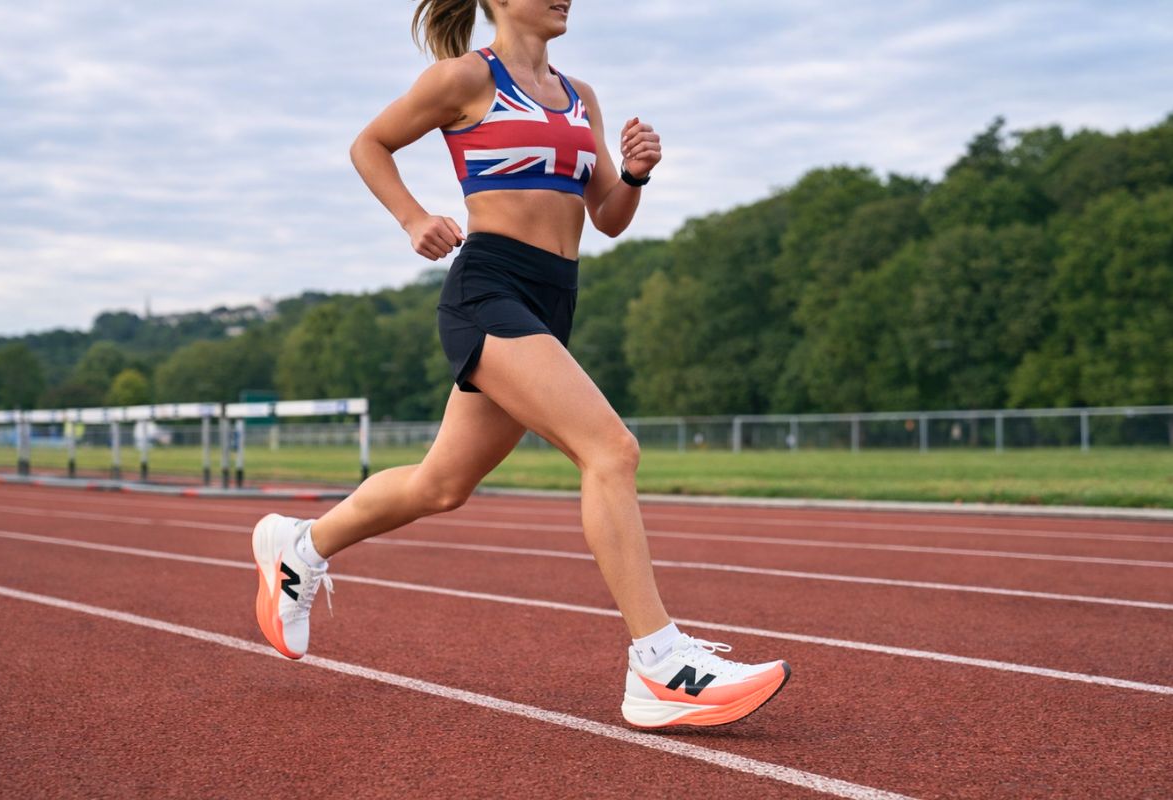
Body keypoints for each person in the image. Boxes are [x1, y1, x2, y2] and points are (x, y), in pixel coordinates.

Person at [252, 0, 790, 728]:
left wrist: (633, 174)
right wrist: (414, 218)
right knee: (611, 449)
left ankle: (301, 546)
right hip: (489, 289)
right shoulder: (466, 78)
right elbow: (369, 145)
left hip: (553, 300)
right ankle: (659, 666)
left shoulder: (580, 96)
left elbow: (606, 215)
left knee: (441, 485)